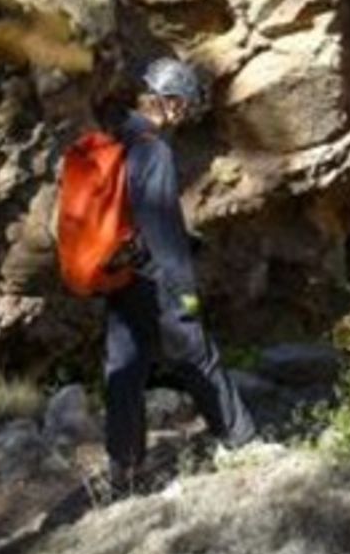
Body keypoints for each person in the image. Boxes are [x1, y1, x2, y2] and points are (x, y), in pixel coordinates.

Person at [101, 59, 255, 490]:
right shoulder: (154, 149)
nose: (185, 114)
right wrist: (185, 287)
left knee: (124, 370)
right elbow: (161, 227)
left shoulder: (115, 139)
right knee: (198, 355)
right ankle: (241, 440)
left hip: (120, 269)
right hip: (156, 275)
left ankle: (124, 471)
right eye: (183, 105)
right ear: (167, 102)